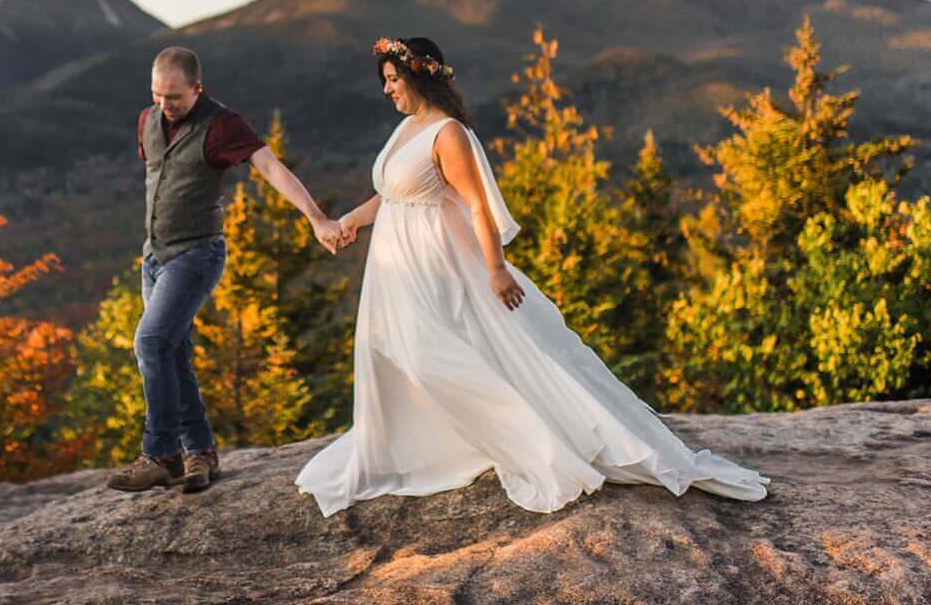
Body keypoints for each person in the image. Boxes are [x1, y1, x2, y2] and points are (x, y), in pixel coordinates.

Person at [294, 36, 771, 516]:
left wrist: (496, 269)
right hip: (394, 269)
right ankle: (413, 445)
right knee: (393, 355)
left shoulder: (448, 134)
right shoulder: (406, 130)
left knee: (431, 356)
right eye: (386, 82)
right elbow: (395, 194)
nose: (388, 90)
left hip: (433, 267)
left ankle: (527, 438)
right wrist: (352, 220)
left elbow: (477, 204)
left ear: (420, 76)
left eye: (394, 80)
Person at [108, 46, 348, 495]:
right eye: (158, 95)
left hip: (196, 254)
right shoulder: (147, 121)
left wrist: (316, 217)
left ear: (198, 89)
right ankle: (199, 452)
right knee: (172, 352)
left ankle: (159, 454)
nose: (166, 105)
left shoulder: (221, 124)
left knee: (152, 341)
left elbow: (270, 168)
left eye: (175, 97)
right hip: (154, 256)